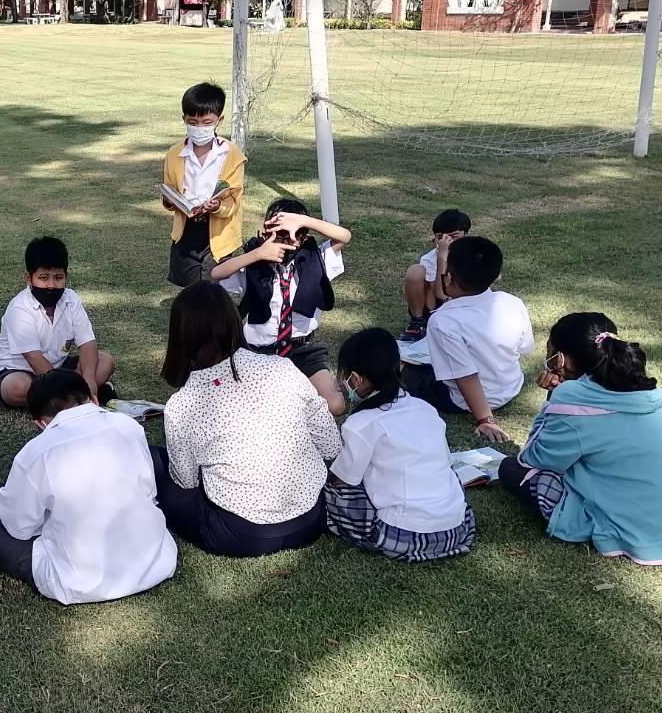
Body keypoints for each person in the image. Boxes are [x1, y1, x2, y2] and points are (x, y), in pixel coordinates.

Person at [498, 313, 662, 565]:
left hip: (643, 529)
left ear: (562, 360)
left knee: (510, 468)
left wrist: (552, 400)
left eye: (550, 356)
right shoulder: (644, 387)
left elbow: (535, 459)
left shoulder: (570, 397)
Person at [150, 281, 342, 556]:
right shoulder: (281, 367)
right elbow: (331, 445)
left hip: (239, 533)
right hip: (312, 516)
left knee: (153, 460)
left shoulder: (182, 405)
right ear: (234, 323)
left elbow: (187, 482)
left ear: (180, 338)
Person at [0, 369, 178, 604]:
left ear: (40, 423)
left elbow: (19, 528)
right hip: (157, 561)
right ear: (92, 399)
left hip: (77, 583)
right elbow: (149, 492)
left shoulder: (35, 453)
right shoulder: (128, 425)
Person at [323, 329, 476, 561]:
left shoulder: (360, 424)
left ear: (355, 379)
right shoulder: (425, 408)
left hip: (402, 535)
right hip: (456, 529)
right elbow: (446, 462)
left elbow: (342, 481)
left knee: (328, 487)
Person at [213, 197, 353, 415]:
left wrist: (302, 221)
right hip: (258, 351)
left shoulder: (314, 259)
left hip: (302, 349)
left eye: (299, 234)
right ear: (267, 232)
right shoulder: (253, 262)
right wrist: (257, 254)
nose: (292, 241)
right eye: (283, 234)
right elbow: (216, 274)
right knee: (254, 408)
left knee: (336, 404)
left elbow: (344, 236)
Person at [401, 235, 533, 443]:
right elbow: (523, 347)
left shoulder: (443, 320)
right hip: (510, 388)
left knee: (404, 368)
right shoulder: (512, 302)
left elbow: (466, 376)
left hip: (462, 401)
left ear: (449, 278)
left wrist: (485, 419)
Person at [0, 235, 116, 410]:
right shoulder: (19, 308)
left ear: (66, 276)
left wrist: (89, 380)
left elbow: (87, 343)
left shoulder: (71, 299)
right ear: (28, 278)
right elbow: (34, 358)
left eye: (58, 278)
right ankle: (75, 397)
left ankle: (69, 397)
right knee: (17, 388)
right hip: (20, 371)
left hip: (60, 367)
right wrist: (67, 388)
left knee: (105, 361)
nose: (51, 285)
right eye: (43, 278)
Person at [161, 82, 247, 288]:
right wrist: (170, 201)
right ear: (184, 119)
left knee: (214, 289)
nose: (199, 128)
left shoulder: (231, 155)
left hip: (219, 234)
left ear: (219, 120)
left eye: (206, 122)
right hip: (187, 232)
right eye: (193, 122)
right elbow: (170, 191)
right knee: (189, 289)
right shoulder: (174, 154)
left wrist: (217, 206)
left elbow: (233, 199)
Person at [401, 208, 471, 342]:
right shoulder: (430, 259)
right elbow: (440, 294)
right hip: (440, 300)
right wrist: (442, 258)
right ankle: (418, 321)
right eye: (441, 238)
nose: (447, 242)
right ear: (434, 240)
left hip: (464, 302)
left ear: (466, 235)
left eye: (454, 237)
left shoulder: (472, 255)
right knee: (415, 271)